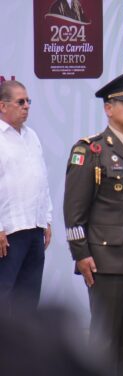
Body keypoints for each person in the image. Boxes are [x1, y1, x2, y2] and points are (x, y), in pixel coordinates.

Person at [63, 72, 123, 376]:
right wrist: (81, 254)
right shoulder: (91, 150)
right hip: (106, 258)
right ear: (109, 108)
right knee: (105, 340)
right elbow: (74, 209)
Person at [0, 80, 52, 317]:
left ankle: (23, 352)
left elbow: (41, 178)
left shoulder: (32, 136)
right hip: (8, 231)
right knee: (4, 293)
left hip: (34, 226)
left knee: (29, 295)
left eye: (28, 101)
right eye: (20, 102)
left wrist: (46, 219)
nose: (27, 106)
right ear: (3, 105)